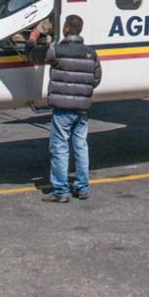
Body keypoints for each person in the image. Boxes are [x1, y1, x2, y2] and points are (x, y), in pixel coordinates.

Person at [27, 14, 102, 202]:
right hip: (82, 109)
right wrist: (83, 91)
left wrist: (32, 39)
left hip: (62, 109)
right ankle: (82, 187)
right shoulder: (91, 53)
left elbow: (34, 56)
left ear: (66, 29)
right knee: (81, 147)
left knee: (60, 148)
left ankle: (61, 190)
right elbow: (96, 78)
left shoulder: (57, 51)